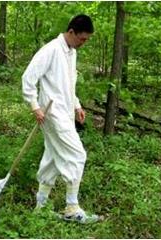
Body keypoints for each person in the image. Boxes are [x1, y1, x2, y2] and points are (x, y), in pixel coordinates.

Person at [22, 14, 98, 223]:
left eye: (86, 40)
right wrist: (35, 106)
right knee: (77, 155)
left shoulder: (71, 52)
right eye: (82, 39)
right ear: (71, 32)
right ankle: (72, 208)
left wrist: (77, 105)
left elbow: (68, 84)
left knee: (53, 157)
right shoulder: (51, 50)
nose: (83, 43)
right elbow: (28, 78)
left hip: (65, 112)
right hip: (52, 114)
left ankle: (41, 206)